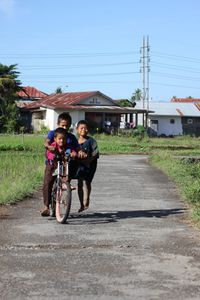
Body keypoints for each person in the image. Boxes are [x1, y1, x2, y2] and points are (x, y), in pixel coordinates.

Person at [41, 112, 85, 216]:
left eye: (67, 125)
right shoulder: (53, 133)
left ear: (70, 125)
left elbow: (78, 148)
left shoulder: (71, 137)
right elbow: (46, 142)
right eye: (62, 125)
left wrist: (80, 152)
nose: (65, 127)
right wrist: (49, 146)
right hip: (52, 162)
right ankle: (46, 206)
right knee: (48, 182)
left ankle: (65, 191)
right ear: (58, 124)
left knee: (65, 180)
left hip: (65, 163)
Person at [76, 120, 99, 213]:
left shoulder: (91, 141)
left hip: (91, 165)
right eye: (81, 128)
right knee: (79, 183)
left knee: (87, 183)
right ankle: (81, 204)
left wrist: (88, 161)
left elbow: (96, 154)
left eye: (86, 128)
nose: (84, 130)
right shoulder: (75, 141)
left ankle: (87, 198)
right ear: (77, 129)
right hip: (79, 165)